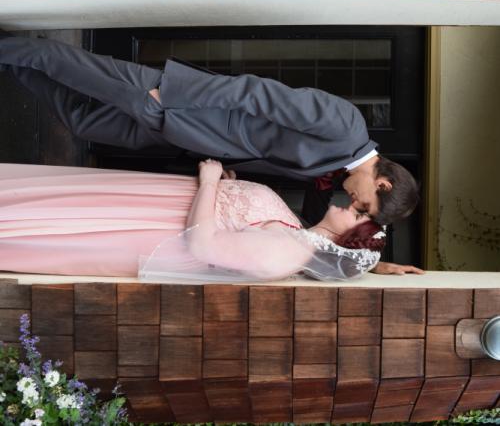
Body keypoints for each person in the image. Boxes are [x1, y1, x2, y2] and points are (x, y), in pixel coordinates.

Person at [0, 33, 419, 225]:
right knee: (68, 66)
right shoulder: (346, 125)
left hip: (181, 134)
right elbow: (254, 93)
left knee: (82, 121)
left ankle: (12, 61)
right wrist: (174, 93)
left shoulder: (333, 172)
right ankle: (14, 50)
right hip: (180, 103)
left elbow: (312, 225)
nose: (354, 206)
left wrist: (370, 263)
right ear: (382, 184)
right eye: (365, 206)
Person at [0, 160, 424, 280]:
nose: (351, 206)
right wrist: (229, 188)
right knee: (60, 197)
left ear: (345, 240)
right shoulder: (295, 233)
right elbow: (237, 223)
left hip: (150, 224)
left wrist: (208, 183)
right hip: (157, 202)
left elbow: (203, 244)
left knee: (56, 218)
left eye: (358, 216)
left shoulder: (284, 257)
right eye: (362, 209)